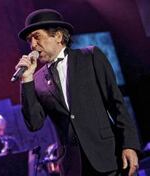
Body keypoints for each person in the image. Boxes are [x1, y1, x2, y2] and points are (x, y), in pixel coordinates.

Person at [15, 9, 141, 176]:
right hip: (72, 166)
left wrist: (129, 144)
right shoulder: (36, 79)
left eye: (37, 37)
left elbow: (116, 103)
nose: (32, 45)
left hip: (107, 155)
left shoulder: (90, 57)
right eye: (29, 40)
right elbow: (34, 124)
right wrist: (26, 80)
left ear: (58, 36)